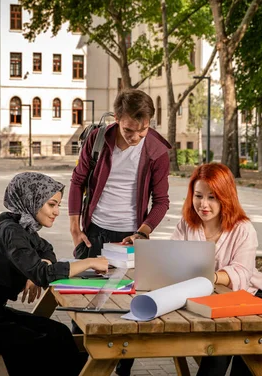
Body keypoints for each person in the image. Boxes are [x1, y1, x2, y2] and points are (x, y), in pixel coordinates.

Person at [0, 172, 108, 376]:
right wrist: (89, 262)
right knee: (46, 347)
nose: (57, 212)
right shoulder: (11, 230)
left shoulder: (19, 223)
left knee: (59, 334)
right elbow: (44, 275)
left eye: (57, 205)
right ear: (32, 200)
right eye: (51, 204)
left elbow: (46, 249)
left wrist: (37, 267)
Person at [68, 89, 170, 376]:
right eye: (129, 130)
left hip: (129, 237)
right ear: (116, 119)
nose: (136, 137)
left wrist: (143, 233)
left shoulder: (157, 152)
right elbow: (77, 182)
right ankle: (80, 368)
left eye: (143, 130)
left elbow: (161, 201)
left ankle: (122, 371)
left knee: (127, 309)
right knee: (83, 306)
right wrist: (75, 229)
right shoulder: (97, 139)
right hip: (94, 233)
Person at [171, 163, 262, 376]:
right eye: (198, 196)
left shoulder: (243, 229)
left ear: (225, 197)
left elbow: (242, 273)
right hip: (212, 303)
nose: (203, 204)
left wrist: (210, 276)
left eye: (212, 197)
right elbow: (172, 260)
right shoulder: (186, 225)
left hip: (255, 299)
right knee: (218, 348)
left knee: (239, 352)